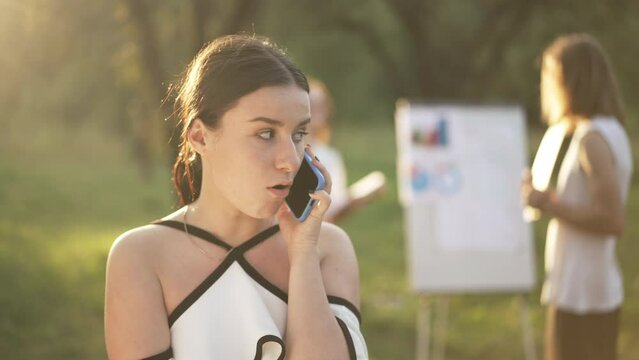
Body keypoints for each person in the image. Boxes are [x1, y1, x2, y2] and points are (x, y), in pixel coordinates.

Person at [105, 35, 368, 360]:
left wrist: (303, 257)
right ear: (200, 136)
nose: (290, 159)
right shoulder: (141, 258)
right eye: (265, 133)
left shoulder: (327, 248)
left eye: (299, 134)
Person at [521, 33, 632, 360]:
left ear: (573, 81)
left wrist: (549, 204)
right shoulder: (603, 130)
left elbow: (612, 219)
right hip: (582, 289)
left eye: (552, 77)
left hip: (584, 295)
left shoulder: (592, 138)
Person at [308, 78, 386, 224]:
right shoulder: (290, 151)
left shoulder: (331, 156)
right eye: (311, 104)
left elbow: (334, 207)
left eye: (320, 105)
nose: (316, 110)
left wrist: (352, 202)